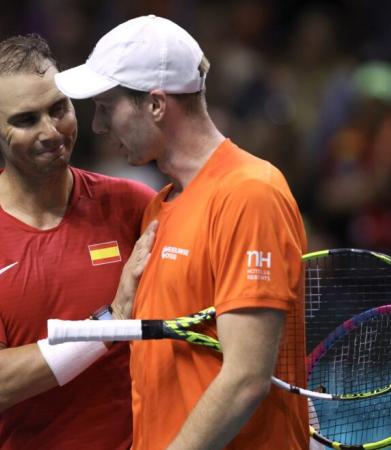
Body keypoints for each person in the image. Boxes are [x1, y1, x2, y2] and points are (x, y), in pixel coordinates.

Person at [55, 15, 309, 450]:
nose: (96, 127)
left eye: (106, 107)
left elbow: (247, 378)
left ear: (156, 105)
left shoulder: (250, 193)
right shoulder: (161, 206)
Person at [0, 34, 156, 450]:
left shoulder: (134, 205)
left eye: (59, 109)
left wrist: (20, 359)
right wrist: (112, 321)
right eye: (26, 120)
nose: (52, 132)